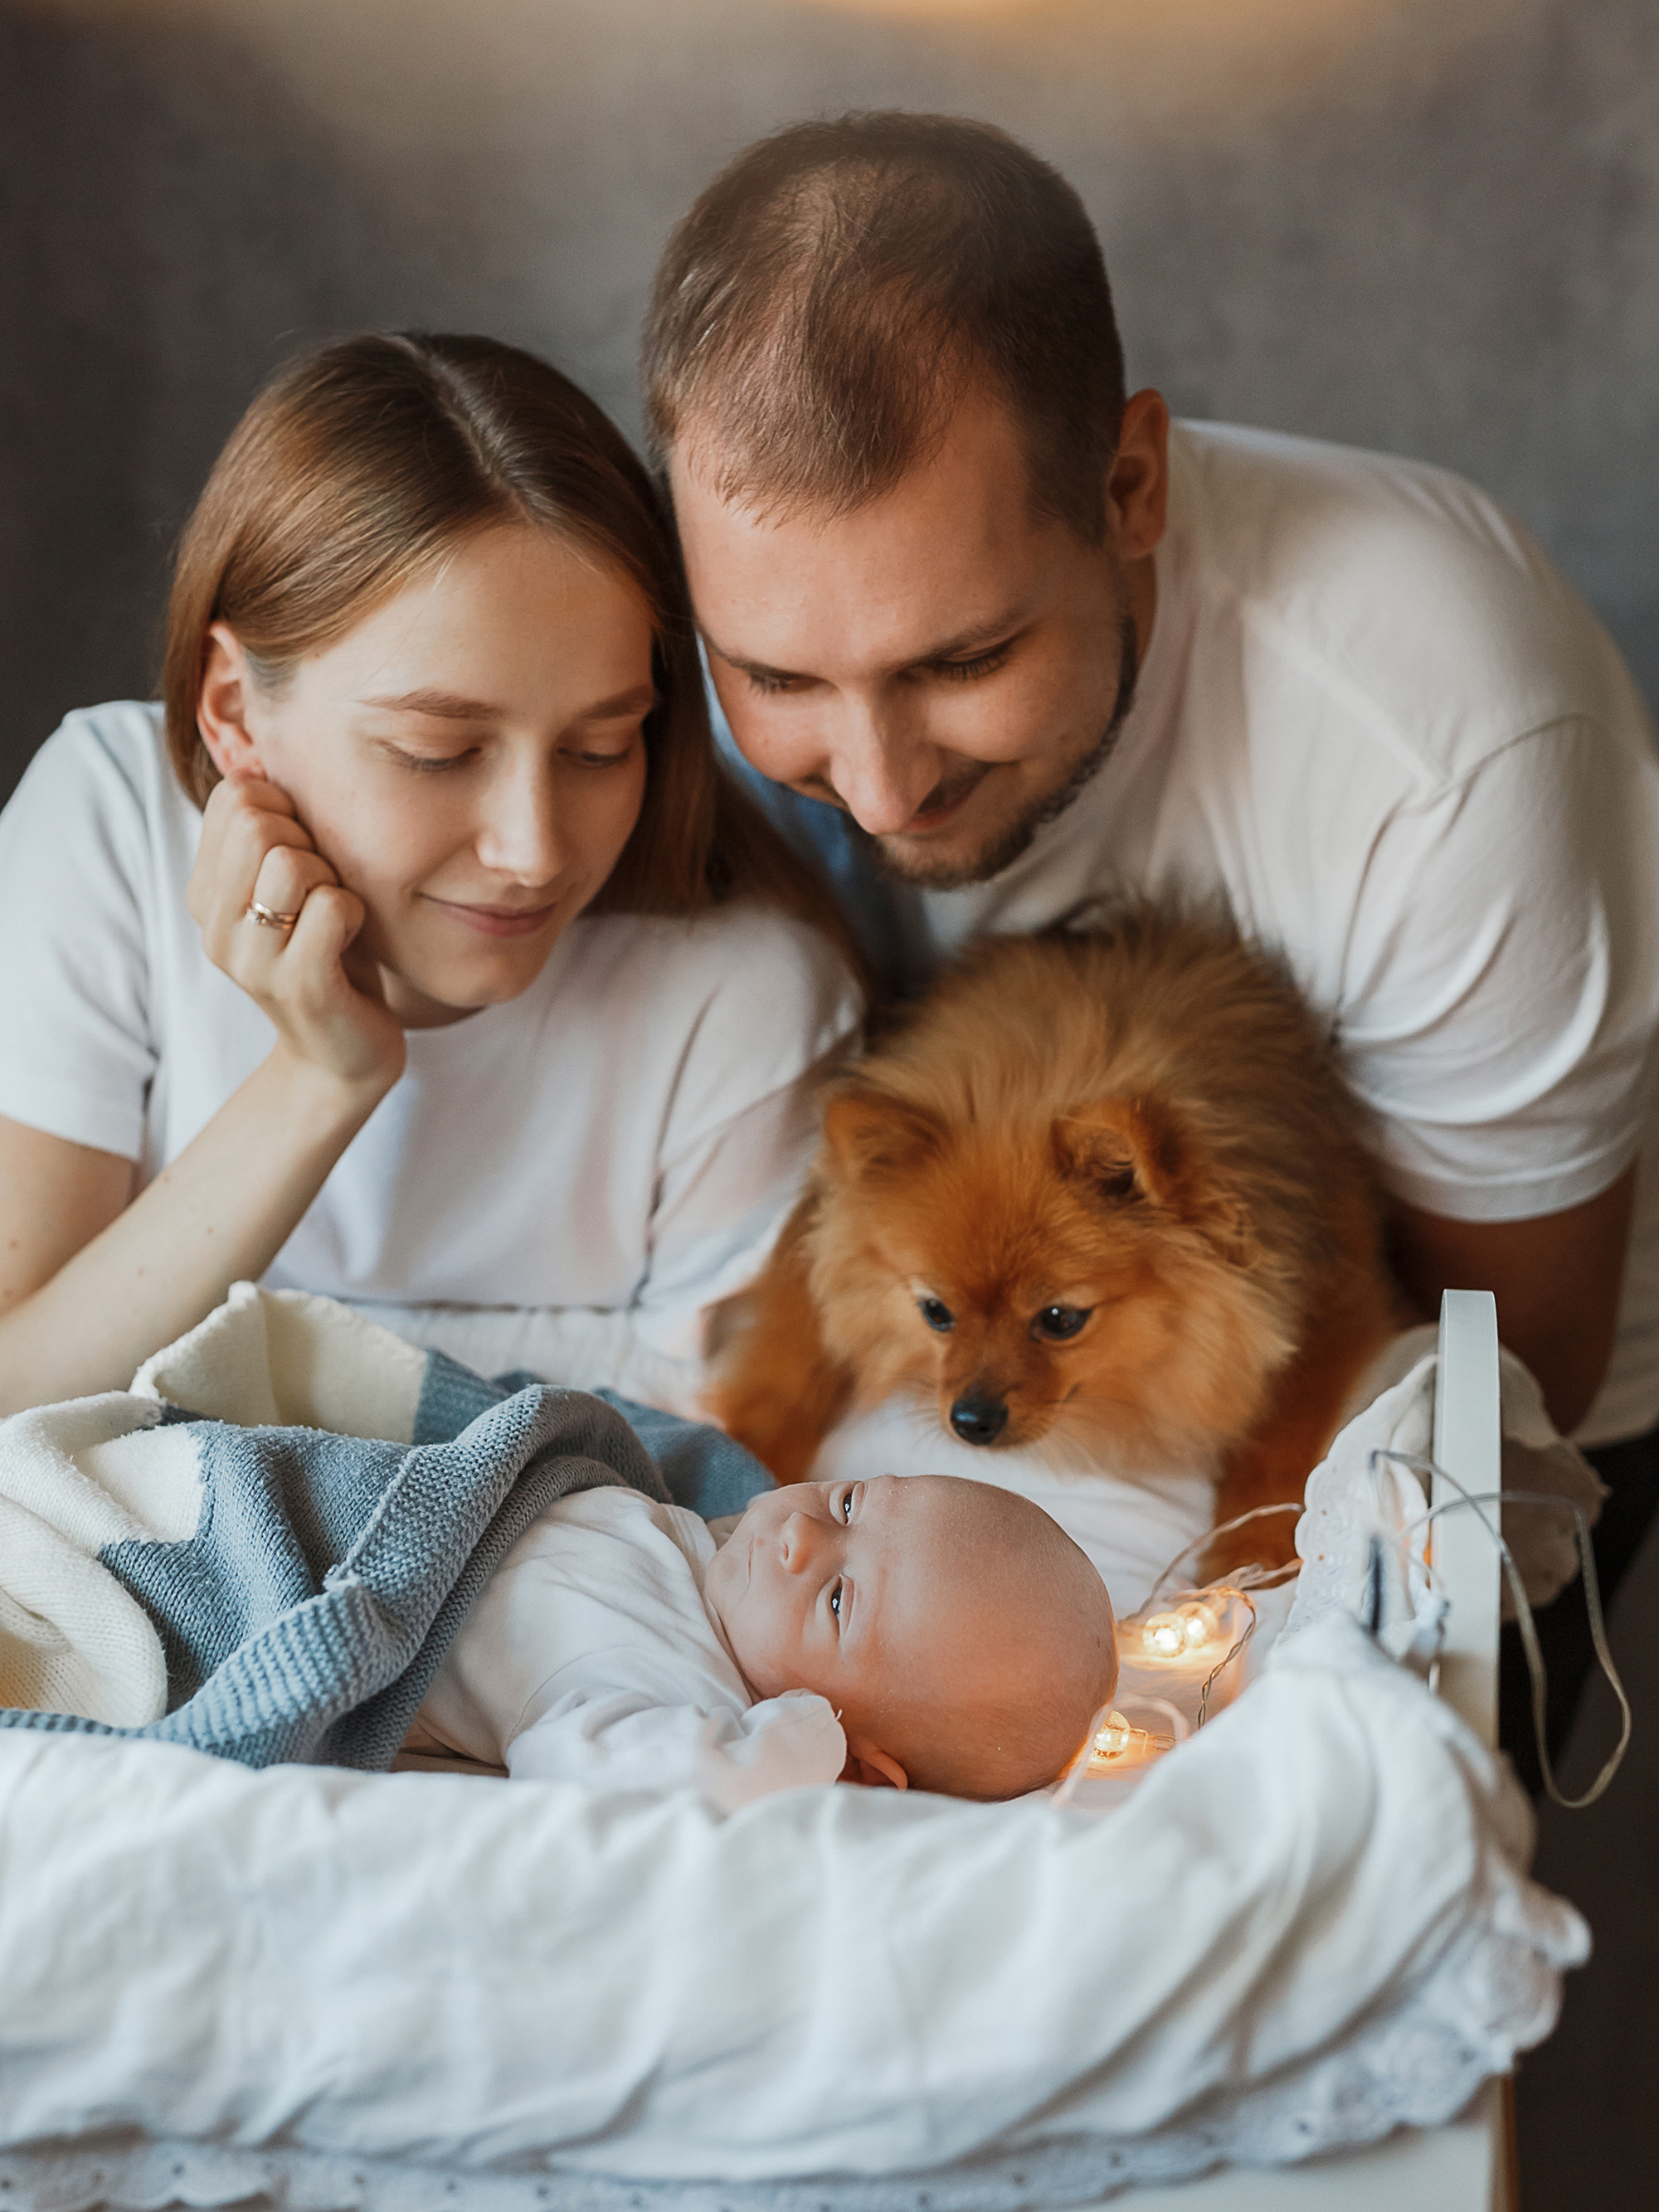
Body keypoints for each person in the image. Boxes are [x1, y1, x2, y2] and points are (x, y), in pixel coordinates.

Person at [640, 112, 1659, 1778]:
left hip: (1453, 1362)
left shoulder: (1449, 752)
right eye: (784, 683)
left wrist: (1175, 1660)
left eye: (959, 657)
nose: (879, 781)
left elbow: (1492, 1389)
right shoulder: (701, 639)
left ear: (1129, 487)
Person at [0, 333, 861, 1420]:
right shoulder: (110, 820)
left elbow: (708, 1463)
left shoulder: (744, 1000)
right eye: (438, 752)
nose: (535, 851)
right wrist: (319, 1080)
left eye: (600, 749)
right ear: (232, 708)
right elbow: (14, 1391)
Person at [409, 1469, 1119, 1805]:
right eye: (848, 1503)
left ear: (858, 1765)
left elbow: (578, 1770)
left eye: (839, 1600)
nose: (802, 1534)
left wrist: (794, 1748)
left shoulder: (683, 1703)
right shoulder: (710, 1551)